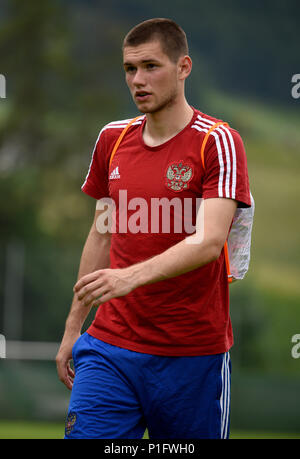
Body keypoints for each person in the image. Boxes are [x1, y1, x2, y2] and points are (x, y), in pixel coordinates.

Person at [56, 18, 251, 439]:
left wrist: (130, 277)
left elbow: (209, 240)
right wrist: (74, 328)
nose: (138, 80)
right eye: (130, 69)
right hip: (110, 346)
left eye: (151, 66)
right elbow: (102, 234)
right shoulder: (112, 139)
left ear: (184, 67)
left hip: (192, 356)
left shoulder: (218, 142)